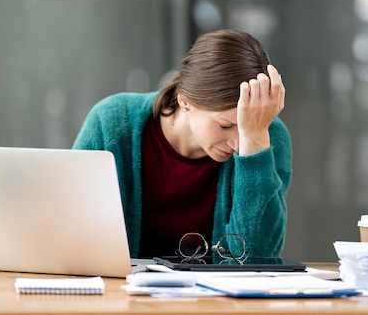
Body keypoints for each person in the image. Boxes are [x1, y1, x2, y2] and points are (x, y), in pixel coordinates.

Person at [72, 29, 292, 259]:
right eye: (225, 125)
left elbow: (257, 259)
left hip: (214, 294)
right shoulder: (111, 123)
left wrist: (255, 145)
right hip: (122, 291)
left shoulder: (266, 137)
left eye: (246, 128)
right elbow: (70, 227)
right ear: (184, 101)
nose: (238, 144)